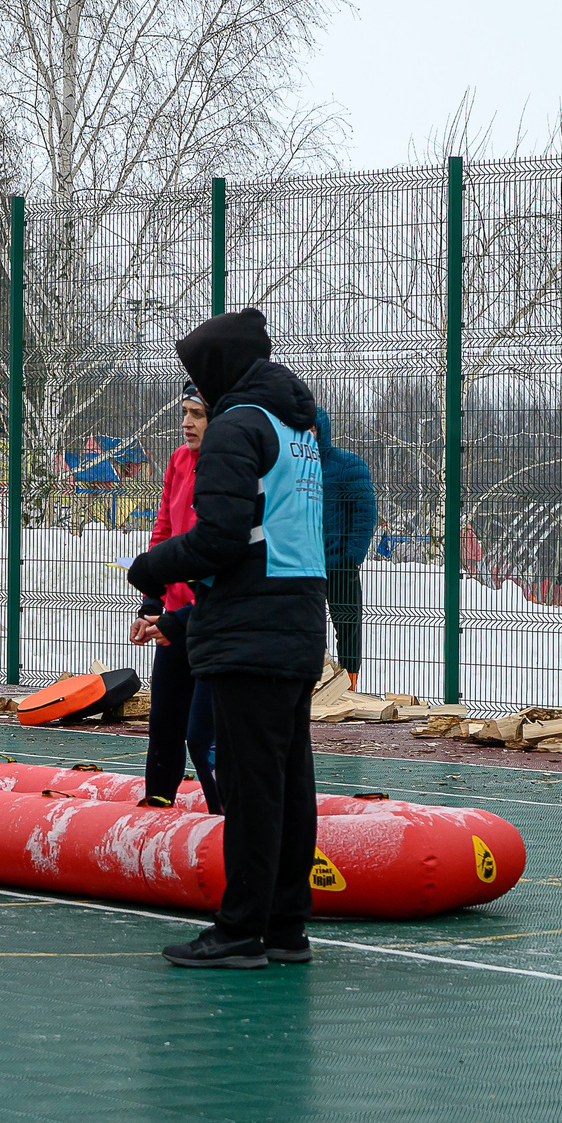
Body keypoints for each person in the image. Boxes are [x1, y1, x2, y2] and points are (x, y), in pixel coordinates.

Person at [128, 307, 325, 970]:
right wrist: (183, 620)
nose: (196, 391)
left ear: (218, 369)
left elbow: (220, 538)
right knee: (289, 782)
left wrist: (151, 569)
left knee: (250, 787)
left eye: (198, 375)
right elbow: (267, 536)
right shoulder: (296, 427)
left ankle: (239, 928)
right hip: (296, 617)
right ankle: (286, 924)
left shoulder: (236, 428)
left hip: (253, 631)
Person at [130, 386, 220, 812]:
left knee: (202, 734)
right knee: (163, 721)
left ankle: (225, 815)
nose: (186, 422)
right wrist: (152, 601)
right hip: (174, 618)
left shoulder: (227, 469)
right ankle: (159, 803)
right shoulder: (179, 460)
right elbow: (164, 529)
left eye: (197, 414)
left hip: (211, 618)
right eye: (184, 413)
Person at [315, 407, 376, 687]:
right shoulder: (290, 468)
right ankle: (316, 688)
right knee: (309, 630)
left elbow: (365, 514)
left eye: (311, 429)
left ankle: (349, 686)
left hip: (339, 564)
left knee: (348, 628)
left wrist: (351, 557)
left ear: (322, 431)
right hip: (306, 566)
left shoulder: (348, 465)